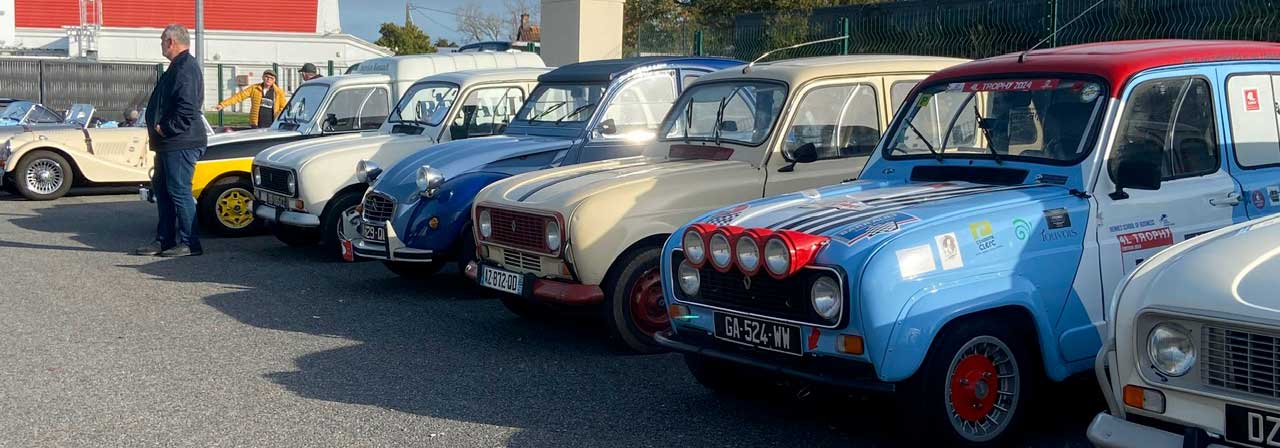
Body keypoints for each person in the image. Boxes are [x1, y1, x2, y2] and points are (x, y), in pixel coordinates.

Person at [134, 24, 206, 257]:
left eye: (162, 40)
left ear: (171, 42)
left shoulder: (186, 68)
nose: (161, 45)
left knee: (179, 190)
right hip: (169, 144)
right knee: (163, 190)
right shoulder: (178, 66)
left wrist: (166, 128)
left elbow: (187, 108)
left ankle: (190, 242)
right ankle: (164, 239)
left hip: (180, 142)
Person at [214, 70, 285, 129]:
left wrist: (278, 118)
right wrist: (222, 105)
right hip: (256, 123)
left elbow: (283, 107)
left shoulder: (278, 92)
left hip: (272, 123)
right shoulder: (254, 88)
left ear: (274, 80)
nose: (268, 79)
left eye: (271, 78)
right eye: (266, 77)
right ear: (263, 77)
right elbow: (239, 96)